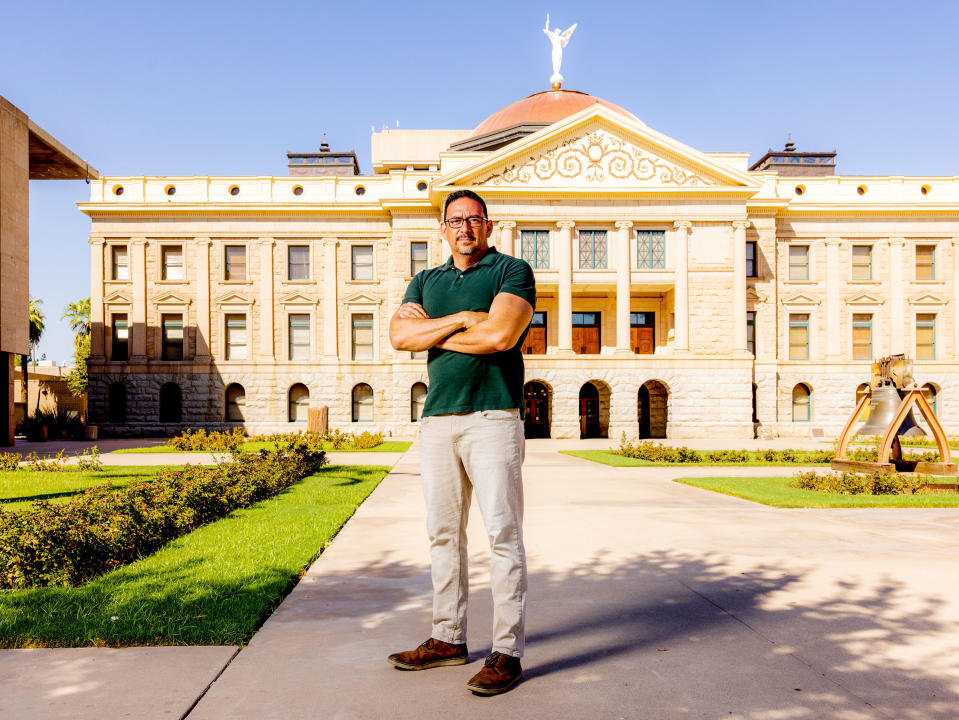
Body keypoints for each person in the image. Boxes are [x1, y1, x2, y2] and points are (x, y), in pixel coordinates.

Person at [387, 189, 536, 695]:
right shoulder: (426, 279)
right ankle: (448, 639)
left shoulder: (511, 271)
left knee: (502, 535)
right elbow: (399, 337)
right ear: (443, 228)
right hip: (437, 420)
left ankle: (507, 652)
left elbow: (500, 337)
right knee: (442, 536)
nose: (464, 228)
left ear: (489, 227)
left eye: (474, 220)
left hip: (493, 416)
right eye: (455, 220)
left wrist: (431, 331)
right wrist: (463, 320)